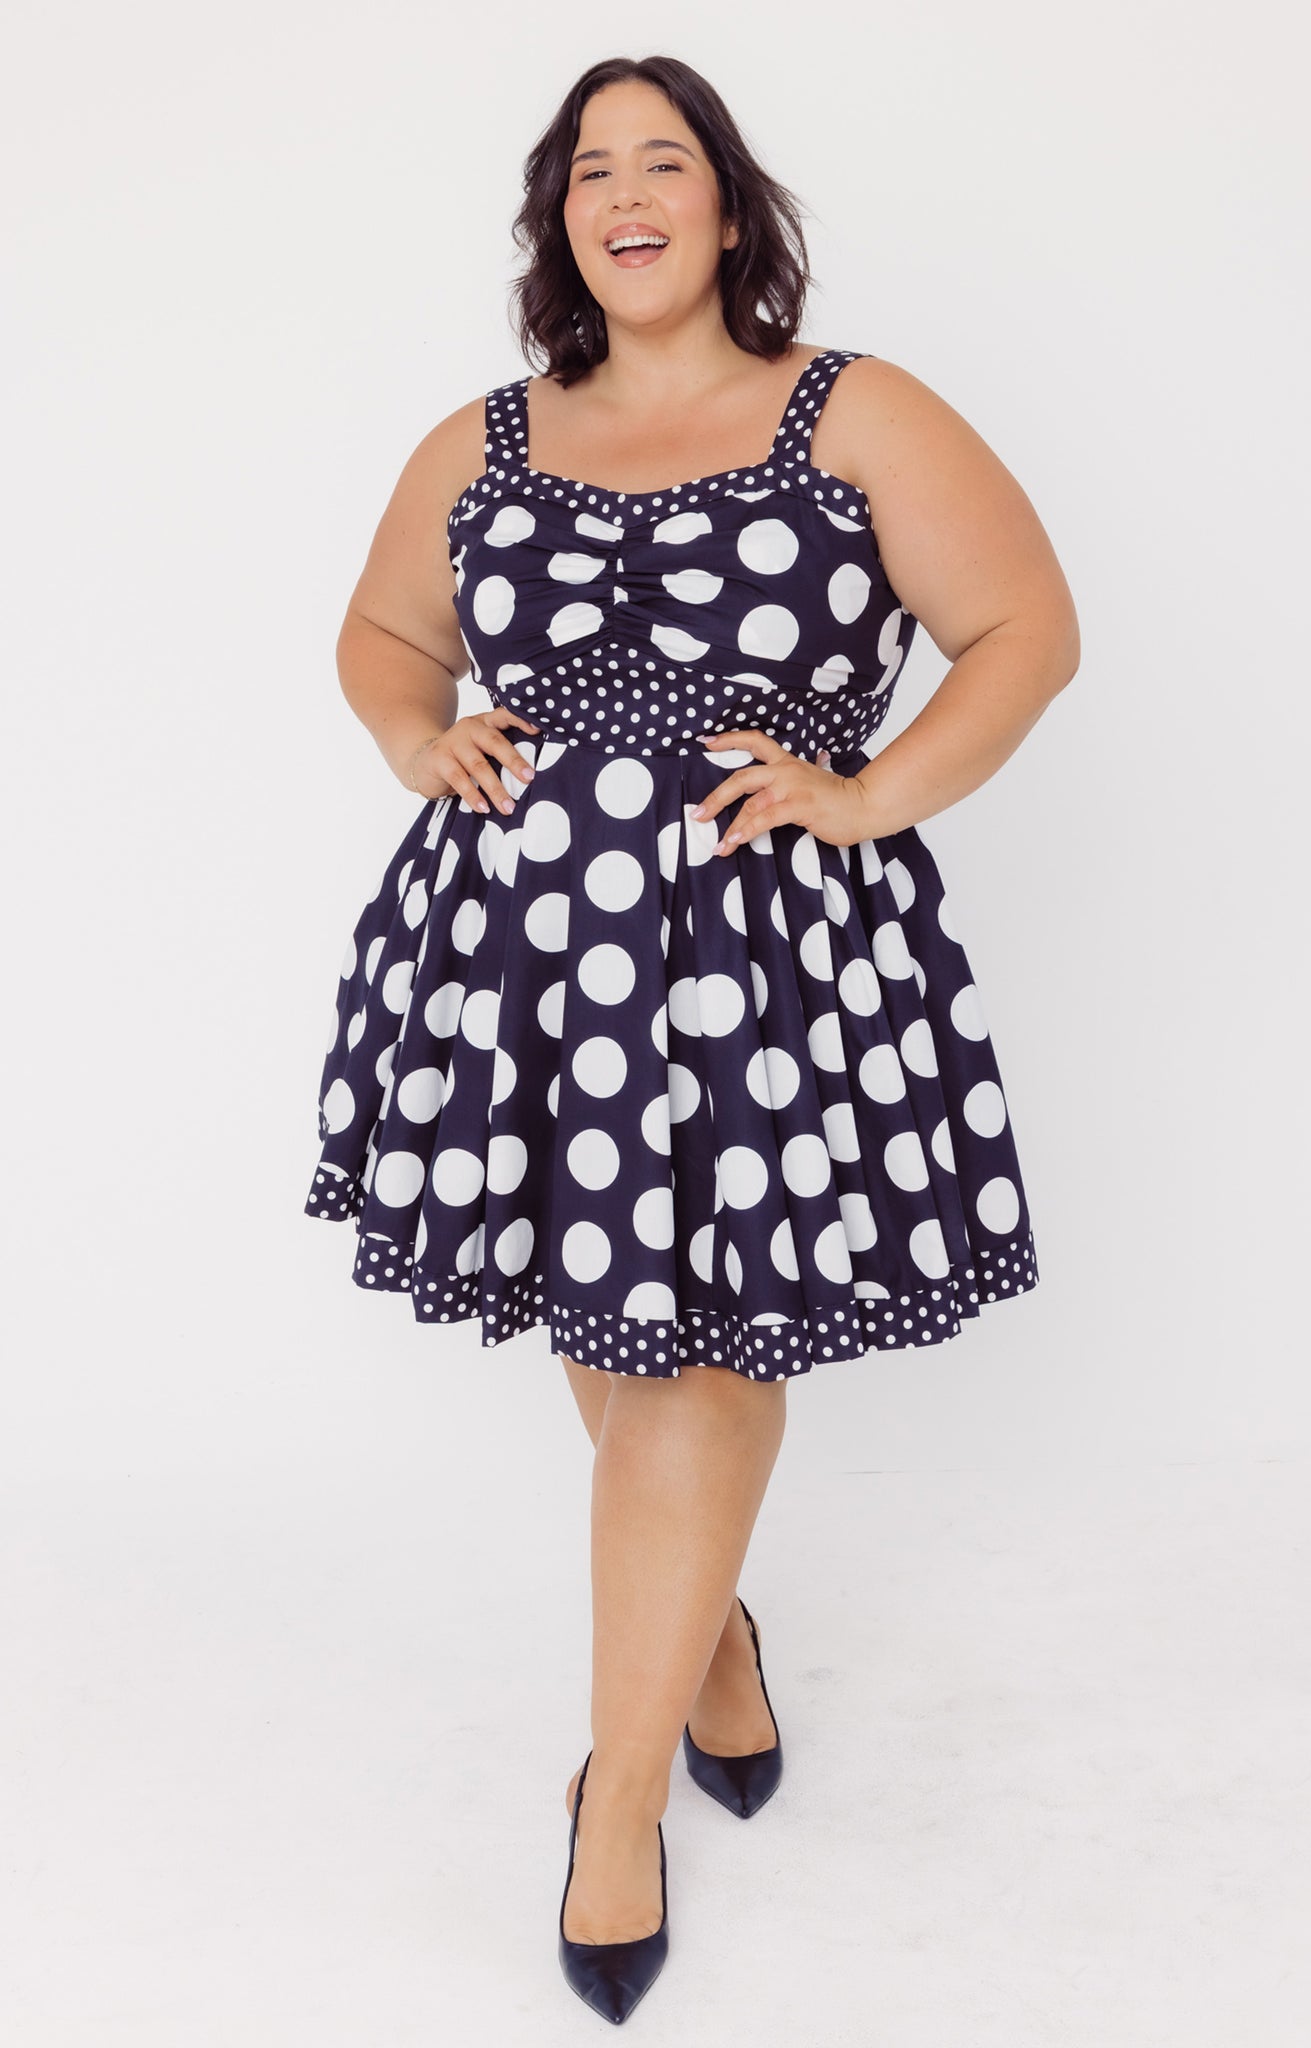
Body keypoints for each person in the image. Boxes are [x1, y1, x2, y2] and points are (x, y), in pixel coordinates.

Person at [303, 50, 1079, 2026]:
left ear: (730, 207)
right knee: (612, 1324)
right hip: (525, 953)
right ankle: (708, 1638)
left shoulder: (853, 409)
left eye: (666, 161)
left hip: (764, 955)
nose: (625, 192)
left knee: (704, 1345)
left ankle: (615, 1794)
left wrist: (868, 790)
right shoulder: (484, 436)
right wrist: (416, 734)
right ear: (557, 219)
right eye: (588, 169)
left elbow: (1021, 631)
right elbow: (386, 633)